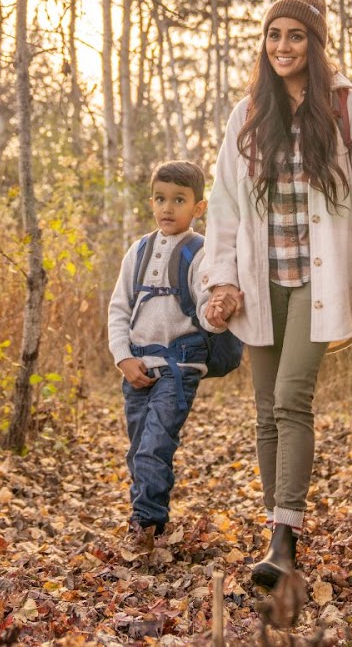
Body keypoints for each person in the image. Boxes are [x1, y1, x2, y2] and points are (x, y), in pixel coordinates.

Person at [200, 0, 352, 589]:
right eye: (274, 34)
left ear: (316, 42)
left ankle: (285, 541)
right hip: (260, 283)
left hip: (320, 279)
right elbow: (223, 210)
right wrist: (220, 280)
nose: (283, 45)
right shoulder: (247, 113)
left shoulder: (347, 109)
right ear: (265, 42)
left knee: (290, 398)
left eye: (296, 35)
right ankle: (274, 528)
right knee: (263, 411)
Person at [106, 160, 229, 551]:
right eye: (161, 199)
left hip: (178, 369)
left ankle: (147, 526)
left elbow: (210, 309)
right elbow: (119, 309)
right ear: (151, 201)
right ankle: (146, 515)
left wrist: (218, 313)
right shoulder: (138, 251)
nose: (167, 208)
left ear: (198, 207)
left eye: (179, 200)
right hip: (136, 367)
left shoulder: (202, 252)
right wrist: (122, 357)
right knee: (138, 448)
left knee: (155, 445)